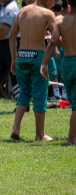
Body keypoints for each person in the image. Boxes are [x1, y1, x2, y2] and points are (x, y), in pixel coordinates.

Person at [9, 0, 55, 141]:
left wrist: (14, 59)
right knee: (40, 94)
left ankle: (16, 128)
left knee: (24, 92)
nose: (53, 3)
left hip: (22, 55)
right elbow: (55, 38)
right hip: (38, 56)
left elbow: (12, 37)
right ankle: (40, 135)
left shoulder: (22, 11)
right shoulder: (48, 13)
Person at [41, 0, 76, 145]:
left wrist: (44, 63)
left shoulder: (61, 21)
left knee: (74, 102)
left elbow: (53, 41)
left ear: (68, 3)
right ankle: (71, 139)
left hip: (67, 63)